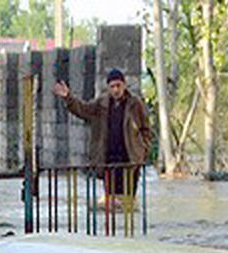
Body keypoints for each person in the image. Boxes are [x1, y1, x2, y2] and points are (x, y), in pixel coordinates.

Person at [53, 68, 153, 210]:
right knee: (111, 201)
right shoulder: (102, 103)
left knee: (128, 201)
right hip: (108, 159)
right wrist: (68, 97)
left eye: (118, 85)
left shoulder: (135, 104)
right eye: (112, 86)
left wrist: (142, 150)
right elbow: (83, 109)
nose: (116, 90)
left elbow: (146, 129)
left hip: (130, 158)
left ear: (124, 85)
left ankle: (129, 229)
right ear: (108, 88)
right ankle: (113, 229)